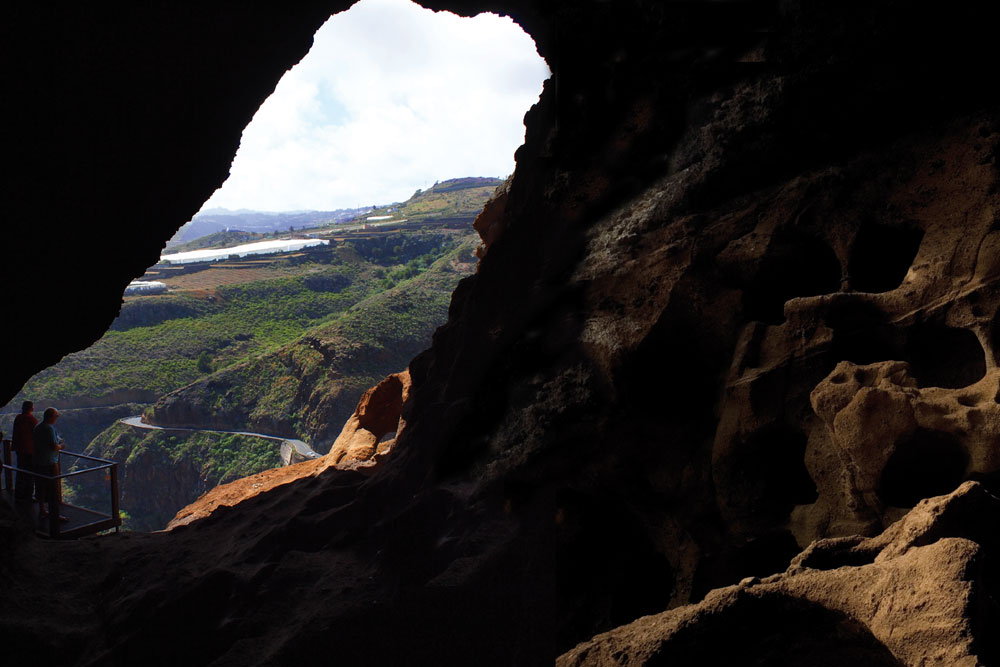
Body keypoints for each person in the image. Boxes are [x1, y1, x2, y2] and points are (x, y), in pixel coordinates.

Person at [33, 407, 65, 520]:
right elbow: (54, 446)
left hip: (38, 461)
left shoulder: (38, 427)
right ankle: (54, 515)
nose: (57, 418)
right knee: (53, 489)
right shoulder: (49, 429)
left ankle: (42, 510)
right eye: (56, 416)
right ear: (51, 417)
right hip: (49, 462)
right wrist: (61, 446)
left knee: (40, 487)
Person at [11, 400, 38, 501]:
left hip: (19, 449)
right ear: (31, 408)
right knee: (30, 474)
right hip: (29, 451)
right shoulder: (31, 419)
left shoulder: (18, 418)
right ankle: (28, 495)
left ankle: (18, 494)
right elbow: (37, 434)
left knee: (20, 472)